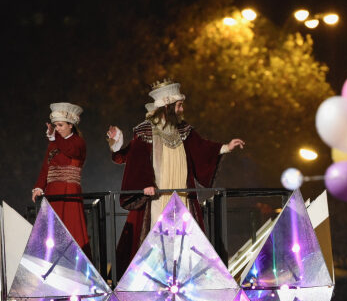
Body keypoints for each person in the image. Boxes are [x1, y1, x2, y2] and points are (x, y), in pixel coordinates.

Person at [107, 80, 244, 271]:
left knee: (183, 236)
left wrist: (225, 147)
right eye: (179, 105)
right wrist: (145, 183)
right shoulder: (145, 130)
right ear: (168, 107)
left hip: (181, 194)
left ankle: (182, 273)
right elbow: (137, 160)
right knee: (155, 235)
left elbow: (200, 147)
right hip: (157, 196)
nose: (182, 109)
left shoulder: (183, 129)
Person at [32, 102, 90, 254]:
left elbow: (71, 151)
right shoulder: (54, 143)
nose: (57, 129)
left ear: (70, 125)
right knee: (50, 234)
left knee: (71, 230)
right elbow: (46, 167)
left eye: (60, 125)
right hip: (53, 193)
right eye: (55, 126)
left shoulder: (78, 142)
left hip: (69, 192)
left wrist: (54, 137)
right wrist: (39, 187)